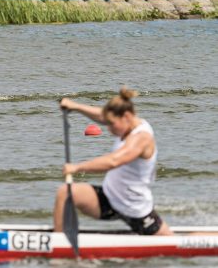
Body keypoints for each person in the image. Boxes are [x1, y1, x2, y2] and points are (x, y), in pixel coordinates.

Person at [55, 88, 172, 236]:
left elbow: (113, 161)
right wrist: (75, 106)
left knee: (172, 242)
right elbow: (102, 116)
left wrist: (77, 167)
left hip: (134, 209)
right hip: (109, 199)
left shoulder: (142, 138)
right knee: (65, 192)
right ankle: (58, 241)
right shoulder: (124, 124)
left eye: (111, 124)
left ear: (127, 116)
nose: (108, 129)